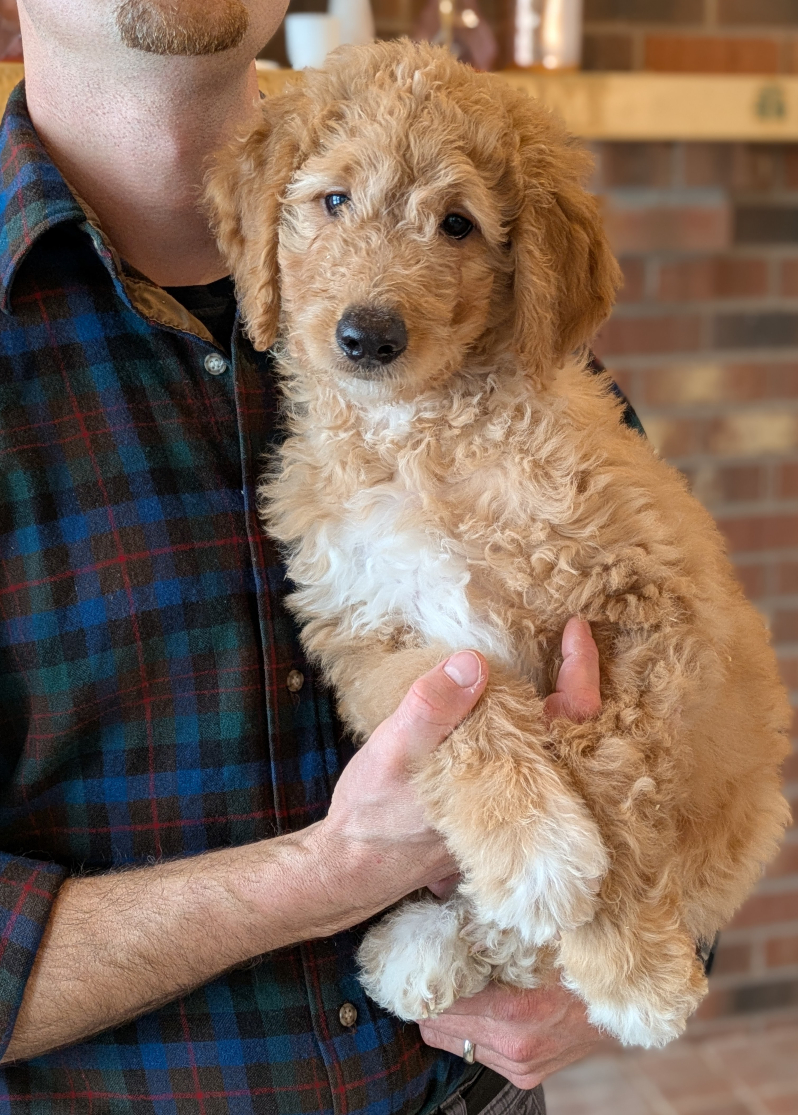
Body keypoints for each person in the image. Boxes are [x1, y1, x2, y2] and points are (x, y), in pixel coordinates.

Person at [0, 2, 617, 1111]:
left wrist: (627, 946)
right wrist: (325, 875)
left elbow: (673, 654)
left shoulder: (475, 251)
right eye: (329, 203)